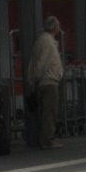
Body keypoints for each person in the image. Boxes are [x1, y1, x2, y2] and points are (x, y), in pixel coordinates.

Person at [28, 16, 64, 149]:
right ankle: (47, 140)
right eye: (58, 25)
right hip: (48, 82)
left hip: (44, 81)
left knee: (47, 112)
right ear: (54, 27)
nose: (60, 28)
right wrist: (36, 78)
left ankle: (46, 139)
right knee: (49, 113)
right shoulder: (47, 42)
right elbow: (41, 63)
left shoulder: (43, 40)